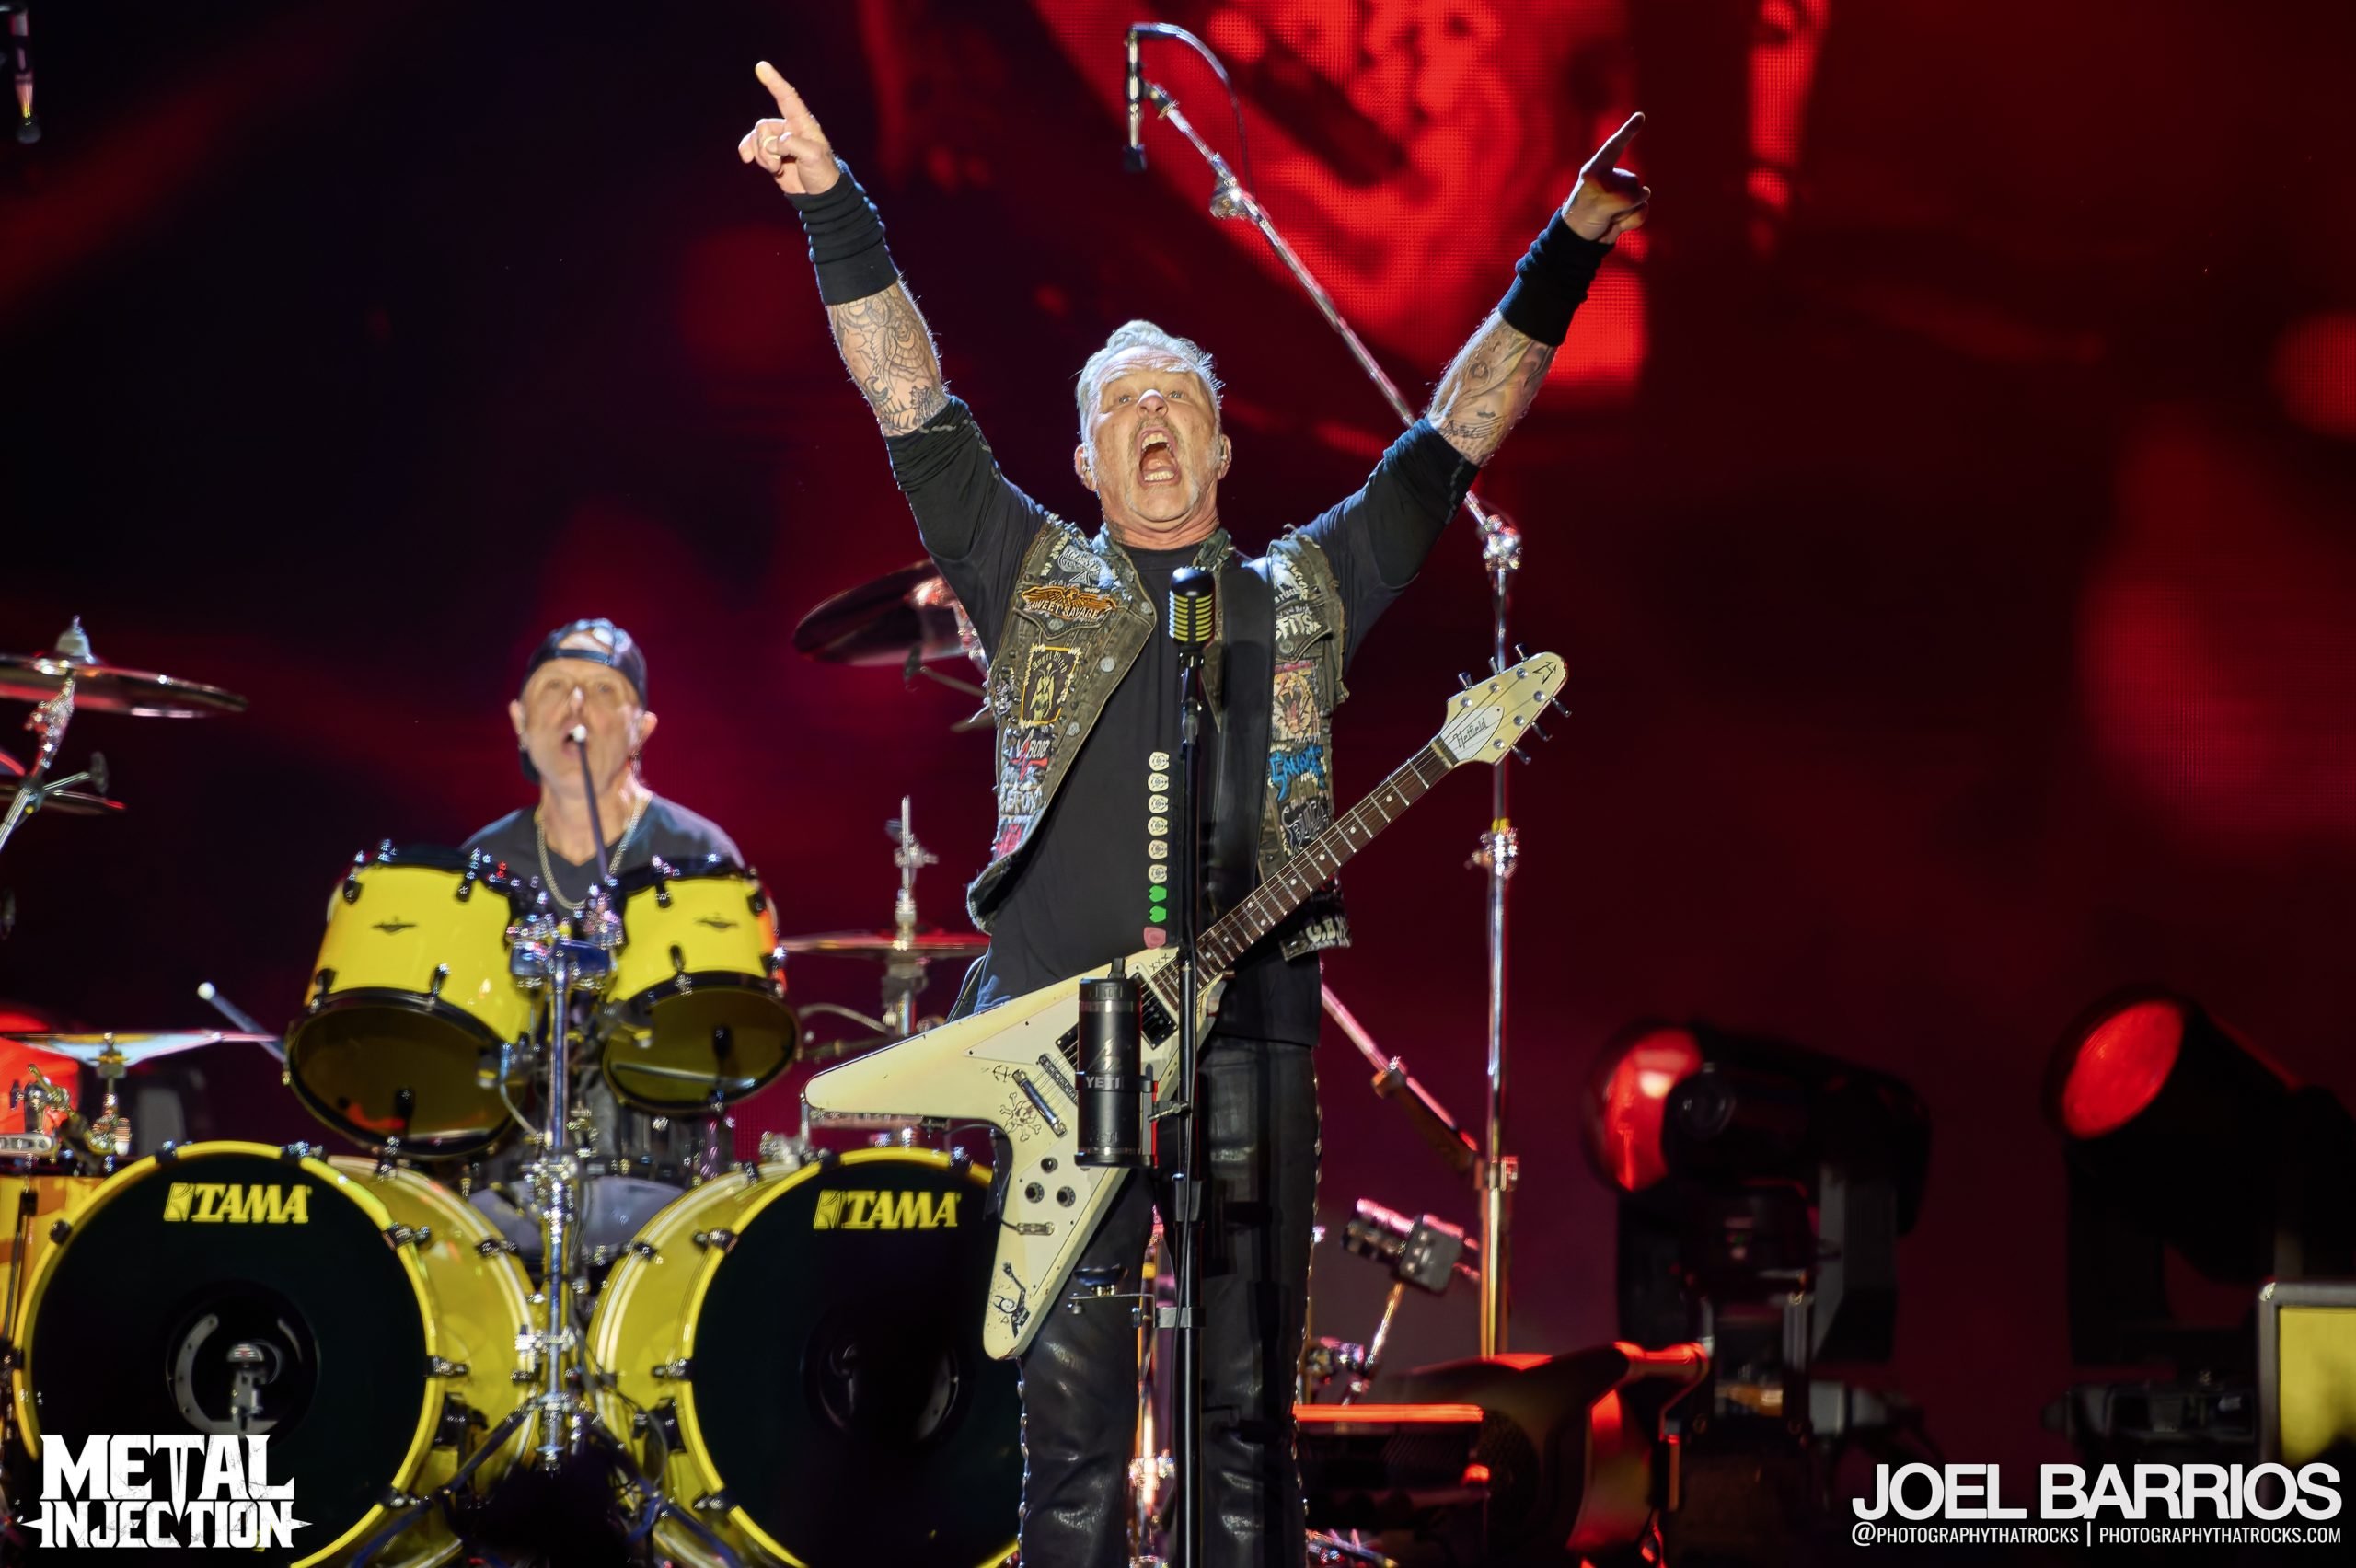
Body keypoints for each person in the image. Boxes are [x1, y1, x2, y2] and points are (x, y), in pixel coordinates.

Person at [740, 60, 1646, 1567]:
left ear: (1224, 449)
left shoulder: (1305, 587)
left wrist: (1572, 240)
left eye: (1181, 401)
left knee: (1243, 1421)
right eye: (1121, 406)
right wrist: (839, 207)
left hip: (1253, 1039)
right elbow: (909, 389)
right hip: (1066, 1048)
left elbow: (1454, 431)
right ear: (1085, 459)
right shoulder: (1026, 573)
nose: (1153, 419)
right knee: (1073, 1431)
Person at [463, 617, 746, 1251]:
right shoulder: (479, 868)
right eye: (555, 686)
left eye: (602, 690)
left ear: (642, 728)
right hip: (505, 1184)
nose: (575, 706)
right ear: (518, 720)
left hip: (665, 1186)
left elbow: (739, 1028)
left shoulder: (699, 854)